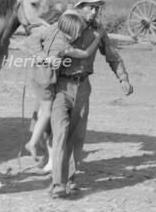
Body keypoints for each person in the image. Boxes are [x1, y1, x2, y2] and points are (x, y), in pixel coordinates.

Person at [49, 0, 134, 199]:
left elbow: (112, 55)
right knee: (61, 133)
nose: (95, 12)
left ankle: (70, 179)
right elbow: (49, 50)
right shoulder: (64, 26)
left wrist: (123, 78)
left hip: (83, 86)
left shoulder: (99, 31)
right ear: (80, 8)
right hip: (61, 86)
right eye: (91, 8)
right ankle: (57, 183)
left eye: (97, 8)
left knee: (76, 137)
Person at [25, 10, 102, 160]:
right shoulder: (64, 47)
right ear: (72, 32)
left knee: (43, 107)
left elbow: (30, 40)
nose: (80, 35)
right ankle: (32, 142)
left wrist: (41, 55)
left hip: (35, 75)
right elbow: (85, 54)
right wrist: (96, 40)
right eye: (78, 32)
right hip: (46, 79)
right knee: (47, 111)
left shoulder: (51, 32)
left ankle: (38, 138)